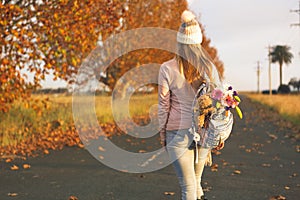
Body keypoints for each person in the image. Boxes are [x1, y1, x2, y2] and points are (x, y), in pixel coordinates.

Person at [158, 10, 224, 200]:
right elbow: (218, 104)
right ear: (198, 42)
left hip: (177, 132)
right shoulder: (208, 68)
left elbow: (164, 105)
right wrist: (217, 135)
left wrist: (162, 134)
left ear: (179, 42)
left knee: (188, 187)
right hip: (202, 132)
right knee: (194, 182)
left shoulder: (166, 68)